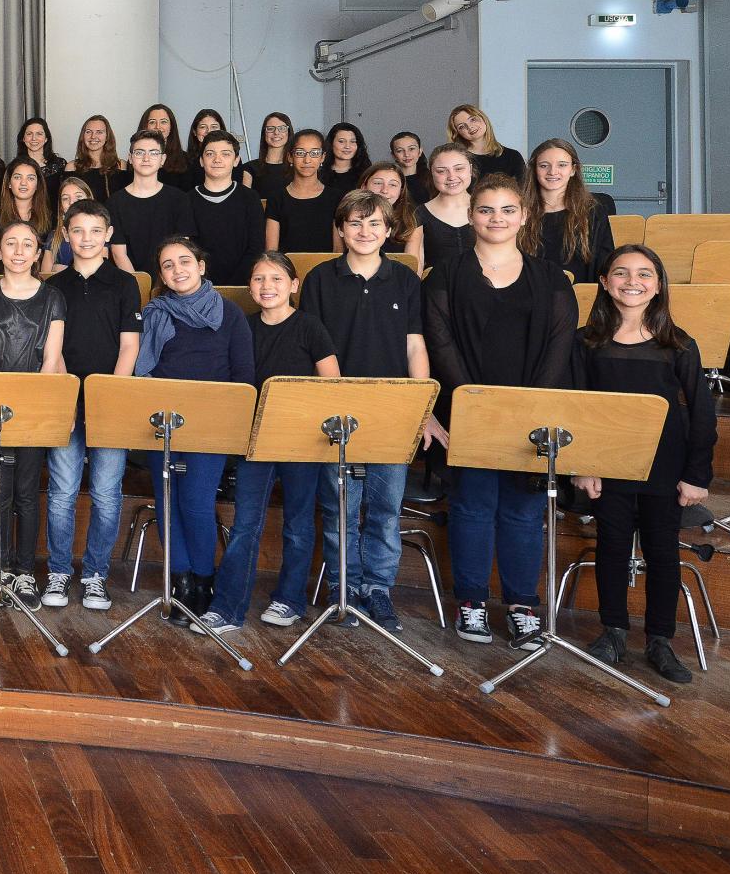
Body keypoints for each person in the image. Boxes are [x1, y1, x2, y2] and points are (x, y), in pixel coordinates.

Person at [424, 175, 576, 648]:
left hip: (529, 413)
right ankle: (470, 602)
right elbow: (439, 336)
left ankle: (521, 605)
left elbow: (560, 341)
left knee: (523, 511)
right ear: (471, 216)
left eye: (508, 210)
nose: (497, 218)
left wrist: (525, 406)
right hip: (465, 408)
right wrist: (472, 399)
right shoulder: (447, 272)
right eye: (487, 210)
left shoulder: (549, 276)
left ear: (524, 216)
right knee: (471, 505)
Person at [572, 244, 712, 683]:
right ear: (604, 282)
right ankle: (613, 631)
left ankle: (660, 640)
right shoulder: (585, 341)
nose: (632, 281)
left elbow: (703, 414)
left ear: (658, 285)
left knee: (662, 552)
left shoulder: (679, 343)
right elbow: (573, 408)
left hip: (666, 469)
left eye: (644, 273)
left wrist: (696, 475)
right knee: (612, 548)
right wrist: (583, 464)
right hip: (608, 466)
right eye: (621, 272)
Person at [302, 191, 442, 632]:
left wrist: (421, 409)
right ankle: (344, 587)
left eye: (375, 224)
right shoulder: (320, 279)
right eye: (356, 224)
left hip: (392, 411)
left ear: (388, 231)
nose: (365, 232)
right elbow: (310, 346)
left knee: (385, 508)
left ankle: (378, 590)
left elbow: (415, 344)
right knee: (341, 506)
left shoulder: (404, 279)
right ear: (341, 230)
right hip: (335, 414)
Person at [202, 252, 338, 635]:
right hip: (254, 440)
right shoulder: (243, 327)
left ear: (294, 285)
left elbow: (332, 385)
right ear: (250, 287)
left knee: (297, 524)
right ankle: (227, 607)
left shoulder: (311, 327)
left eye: (277, 279)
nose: (267, 286)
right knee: (247, 524)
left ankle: (290, 600)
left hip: (301, 439)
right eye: (259, 279)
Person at [135, 237, 255, 625]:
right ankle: (181, 581)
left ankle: (204, 581)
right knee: (168, 501)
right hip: (163, 423)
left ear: (201, 266)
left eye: (184, 261)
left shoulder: (231, 314)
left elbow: (244, 378)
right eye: (167, 265)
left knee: (197, 504)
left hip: (212, 425)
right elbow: (144, 370)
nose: (177, 270)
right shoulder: (154, 313)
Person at [43, 199, 141, 612]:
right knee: (63, 492)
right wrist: (69, 391)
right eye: (77, 231)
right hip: (66, 399)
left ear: (108, 235)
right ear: (66, 235)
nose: (86, 239)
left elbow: (130, 346)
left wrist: (109, 397)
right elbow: (54, 345)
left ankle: (96, 575)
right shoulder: (54, 285)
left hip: (109, 402)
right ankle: (59, 571)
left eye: (94, 231)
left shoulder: (124, 283)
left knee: (105, 492)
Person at [0, 220, 67, 607]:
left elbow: (52, 357)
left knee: (27, 492)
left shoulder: (53, 298)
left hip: (34, 406)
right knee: (0, 492)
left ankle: (26, 572)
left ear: (38, 252)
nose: (19, 250)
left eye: (28, 244)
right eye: (11, 243)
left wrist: (32, 408)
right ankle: (1, 566)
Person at [521, 138, 615, 283]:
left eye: (562, 165)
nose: (553, 171)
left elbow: (604, 263)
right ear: (534, 169)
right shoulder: (519, 211)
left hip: (583, 298)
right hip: (532, 297)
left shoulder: (595, 209)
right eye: (544, 165)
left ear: (573, 170)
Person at [109, 130, 194, 273]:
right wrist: (137, 287)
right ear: (130, 158)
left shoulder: (179, 199)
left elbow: (181, 249)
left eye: (154, 153)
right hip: (130, 281)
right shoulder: (115, 202)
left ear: (162, 159)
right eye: (139, 152)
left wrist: (163, 285)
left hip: (171, 280)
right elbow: (119, 254)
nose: (146, 158)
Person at [189, 130, 264, 285]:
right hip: (198, 286)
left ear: (236, 160)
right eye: (210, 154)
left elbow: (256, 248)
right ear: (201, 160)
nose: (217, 159)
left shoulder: (250, 198)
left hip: (243, 285)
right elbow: (187, 250)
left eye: (225, 154)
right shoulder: (187, 200)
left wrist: (234, 286)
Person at [263, 129, 342, 254]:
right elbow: (271, 251)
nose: (307, 160)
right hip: (286, 270)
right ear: (290, 156)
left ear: (323, 157)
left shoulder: (336, 197)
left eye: (315, 153)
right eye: (300, 153)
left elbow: (338, 250)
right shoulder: (277, 198)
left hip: (326, 271)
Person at [341, 163, 425, 268]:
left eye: (393, 185)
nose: (385, 190)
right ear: (364, 186)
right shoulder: (347, 212)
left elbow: (412, 263)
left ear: (401, 190)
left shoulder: (412, 217)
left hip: (398, 279)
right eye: (377, 183)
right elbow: (338, 254)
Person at [417, 143, 476, 278]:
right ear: (431, 173)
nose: (451, 176)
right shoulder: (419, 213)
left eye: (459, 169)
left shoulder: (488, 208)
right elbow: (415, 265)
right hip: (436, 292)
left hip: (486, 290)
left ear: (470, 169)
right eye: (441, 171)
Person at [0, 157, 53, 274]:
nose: (23, 183)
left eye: (30, 178)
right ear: (9, 183)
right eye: (17, 177)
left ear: (37, 185)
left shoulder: (51, 219)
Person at [449, 104, 525, 181]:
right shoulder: (457, 160)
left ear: (483, 118)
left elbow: (523, 191)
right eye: (462, 127)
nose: (470, 127)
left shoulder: (513, 157)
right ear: (457, 134)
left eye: (473, 120)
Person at [66, 114, 128, 201]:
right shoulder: (72, 167)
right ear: (82, 136)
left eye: (99, 132)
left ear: (107, 136)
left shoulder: (121, 165)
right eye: (88, 132)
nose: (93, 136)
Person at [40, 177, 94, 273]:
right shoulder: (54, 236)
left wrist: (64, 271)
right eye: (65, 198)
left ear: (89, 199)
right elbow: (45, 276)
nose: (71, 202)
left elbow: (98, 271)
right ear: (61, 206)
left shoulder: (98, 233)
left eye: (78, 197)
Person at [137, 104, 196, 191]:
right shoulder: (137, 157)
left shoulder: (186, 160)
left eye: (163, 122)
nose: (158, 126)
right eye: (152, 122)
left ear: (171, 126)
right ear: (145, 126)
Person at [15, 117, 66, 198]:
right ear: (23, 139)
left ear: (46, 138)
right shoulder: (15, 166)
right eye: (29, 134)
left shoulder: (60, 165)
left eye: (39, 134)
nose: (34, 138)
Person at [242, 112, 291, 194]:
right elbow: (245, 203)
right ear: (264, 133)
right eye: (271, 128)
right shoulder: (249, 168)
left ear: (289, 133)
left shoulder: (297, 167)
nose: (276, 133)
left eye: (282, 128)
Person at [323, 122, 371, 191]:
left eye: (352, 141)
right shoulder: (319, 173)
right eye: (341, 141)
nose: (347, 146)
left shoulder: (367, 173)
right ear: (331, 143)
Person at [390, 132, 432, 203]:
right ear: (393, 155)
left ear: (420, 151)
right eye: (400, 151)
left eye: (411, 149)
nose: (406, 154)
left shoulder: (432, 178)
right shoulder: (390, 181)